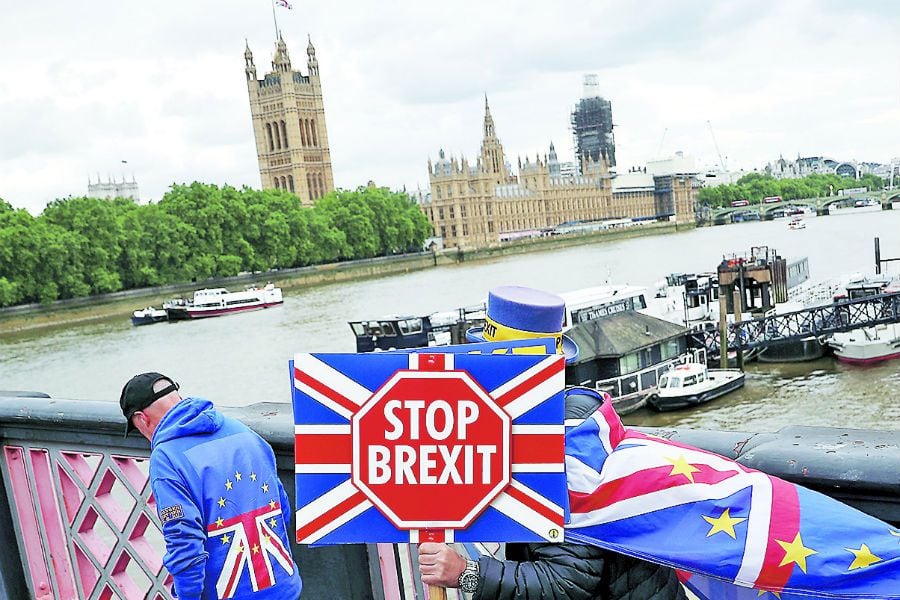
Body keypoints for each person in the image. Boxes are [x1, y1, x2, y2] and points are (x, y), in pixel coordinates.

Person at [418, 286, 686, 600]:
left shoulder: (558, 445)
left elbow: (569, 580)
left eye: (486, 361)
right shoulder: (572, 415)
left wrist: (467, 574)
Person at [120, 372, 302, 600]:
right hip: (284, 587)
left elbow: (184, 543)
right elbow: (283, 509)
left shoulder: (166, 458)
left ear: (141, 419)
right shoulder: (244, 433)